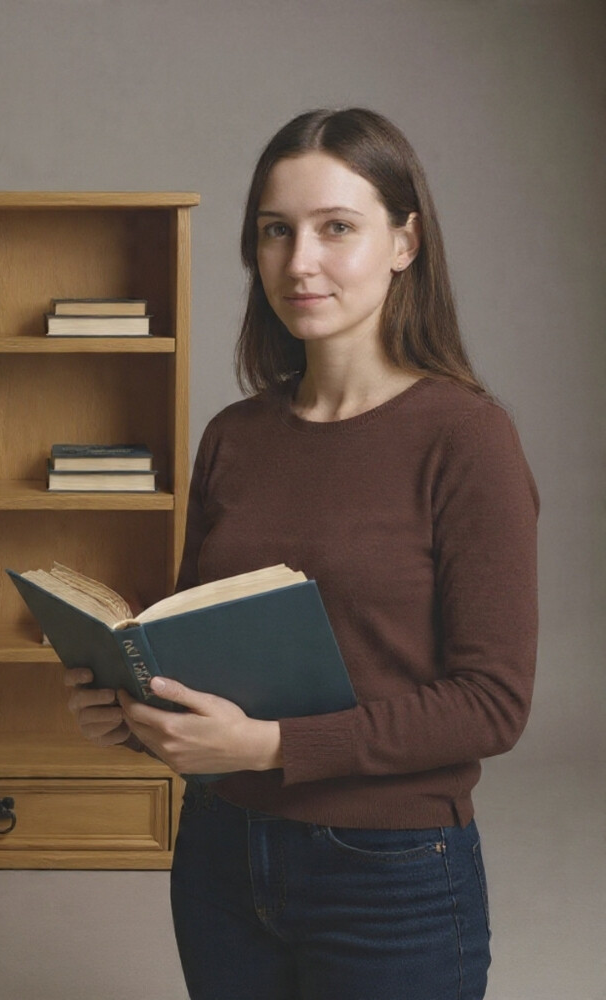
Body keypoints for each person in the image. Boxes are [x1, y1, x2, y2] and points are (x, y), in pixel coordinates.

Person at [64, 107, 538, 999]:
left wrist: (269, 743)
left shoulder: (468, 437)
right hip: (218, 855)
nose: (299, 262)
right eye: (275, 231)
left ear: (405, 242)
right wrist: (134, 715)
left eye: (336, 229)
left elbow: (493, 704)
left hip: (389, 870)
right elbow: (197, 648)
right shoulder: (235, 435)